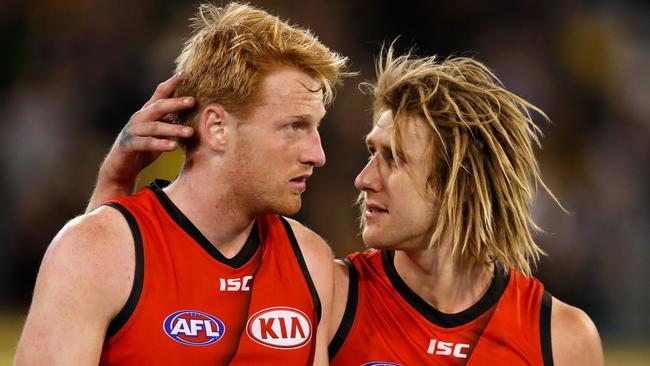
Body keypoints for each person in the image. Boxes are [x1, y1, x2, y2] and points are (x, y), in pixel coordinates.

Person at [85, 44, 605, 365]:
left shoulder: (561, 338)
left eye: (393, 160)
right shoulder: (328, 293)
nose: (361, 180)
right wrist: (115, 184)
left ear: (457, 186)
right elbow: (139, 310)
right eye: (369, 154)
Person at [14, 3, 349, 365]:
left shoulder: (310, 260)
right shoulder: (92, 250)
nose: (317, 155)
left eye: (316, 128)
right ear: (217, 128)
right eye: (294, 127)